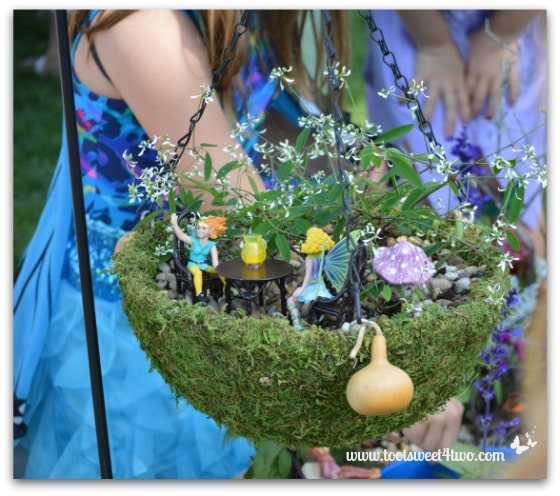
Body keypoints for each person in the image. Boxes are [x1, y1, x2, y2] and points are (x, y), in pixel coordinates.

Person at [13, 9, 463, 479]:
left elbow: (268, 129)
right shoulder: (146, 27)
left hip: (224, 303)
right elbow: (248, 221)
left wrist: (364, 186)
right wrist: (387, 364)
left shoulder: (237, 18)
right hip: (141, 336)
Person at [363, 10, 546, 260]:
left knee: (513, 181)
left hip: (514, 23)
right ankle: (430, 275)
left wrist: (503, 32)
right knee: (424, 179)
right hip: (417, 27)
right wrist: (435, 45)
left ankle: (522, 284)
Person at [170, 212, 226, 304]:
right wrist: (174, 223)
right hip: (193, 264)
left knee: (220, 271)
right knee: (197, 273)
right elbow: (180, 235)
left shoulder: (212, 245)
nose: (200, 230)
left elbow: (215, 263)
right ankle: (199, 294)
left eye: (204, 228)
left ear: (211, 231)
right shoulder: (193, 241)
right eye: (198, 228)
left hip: (204, 264)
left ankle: (228, 288)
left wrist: (218, 269)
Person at [287, 226, 335, 330]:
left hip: (312, 288)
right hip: (321, 286)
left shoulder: (310, 258)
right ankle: (301, 321)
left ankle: (297, 325)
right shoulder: (322, 255)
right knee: (298, 299)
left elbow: (308, 277)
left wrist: (301, 290)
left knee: (291, 300)